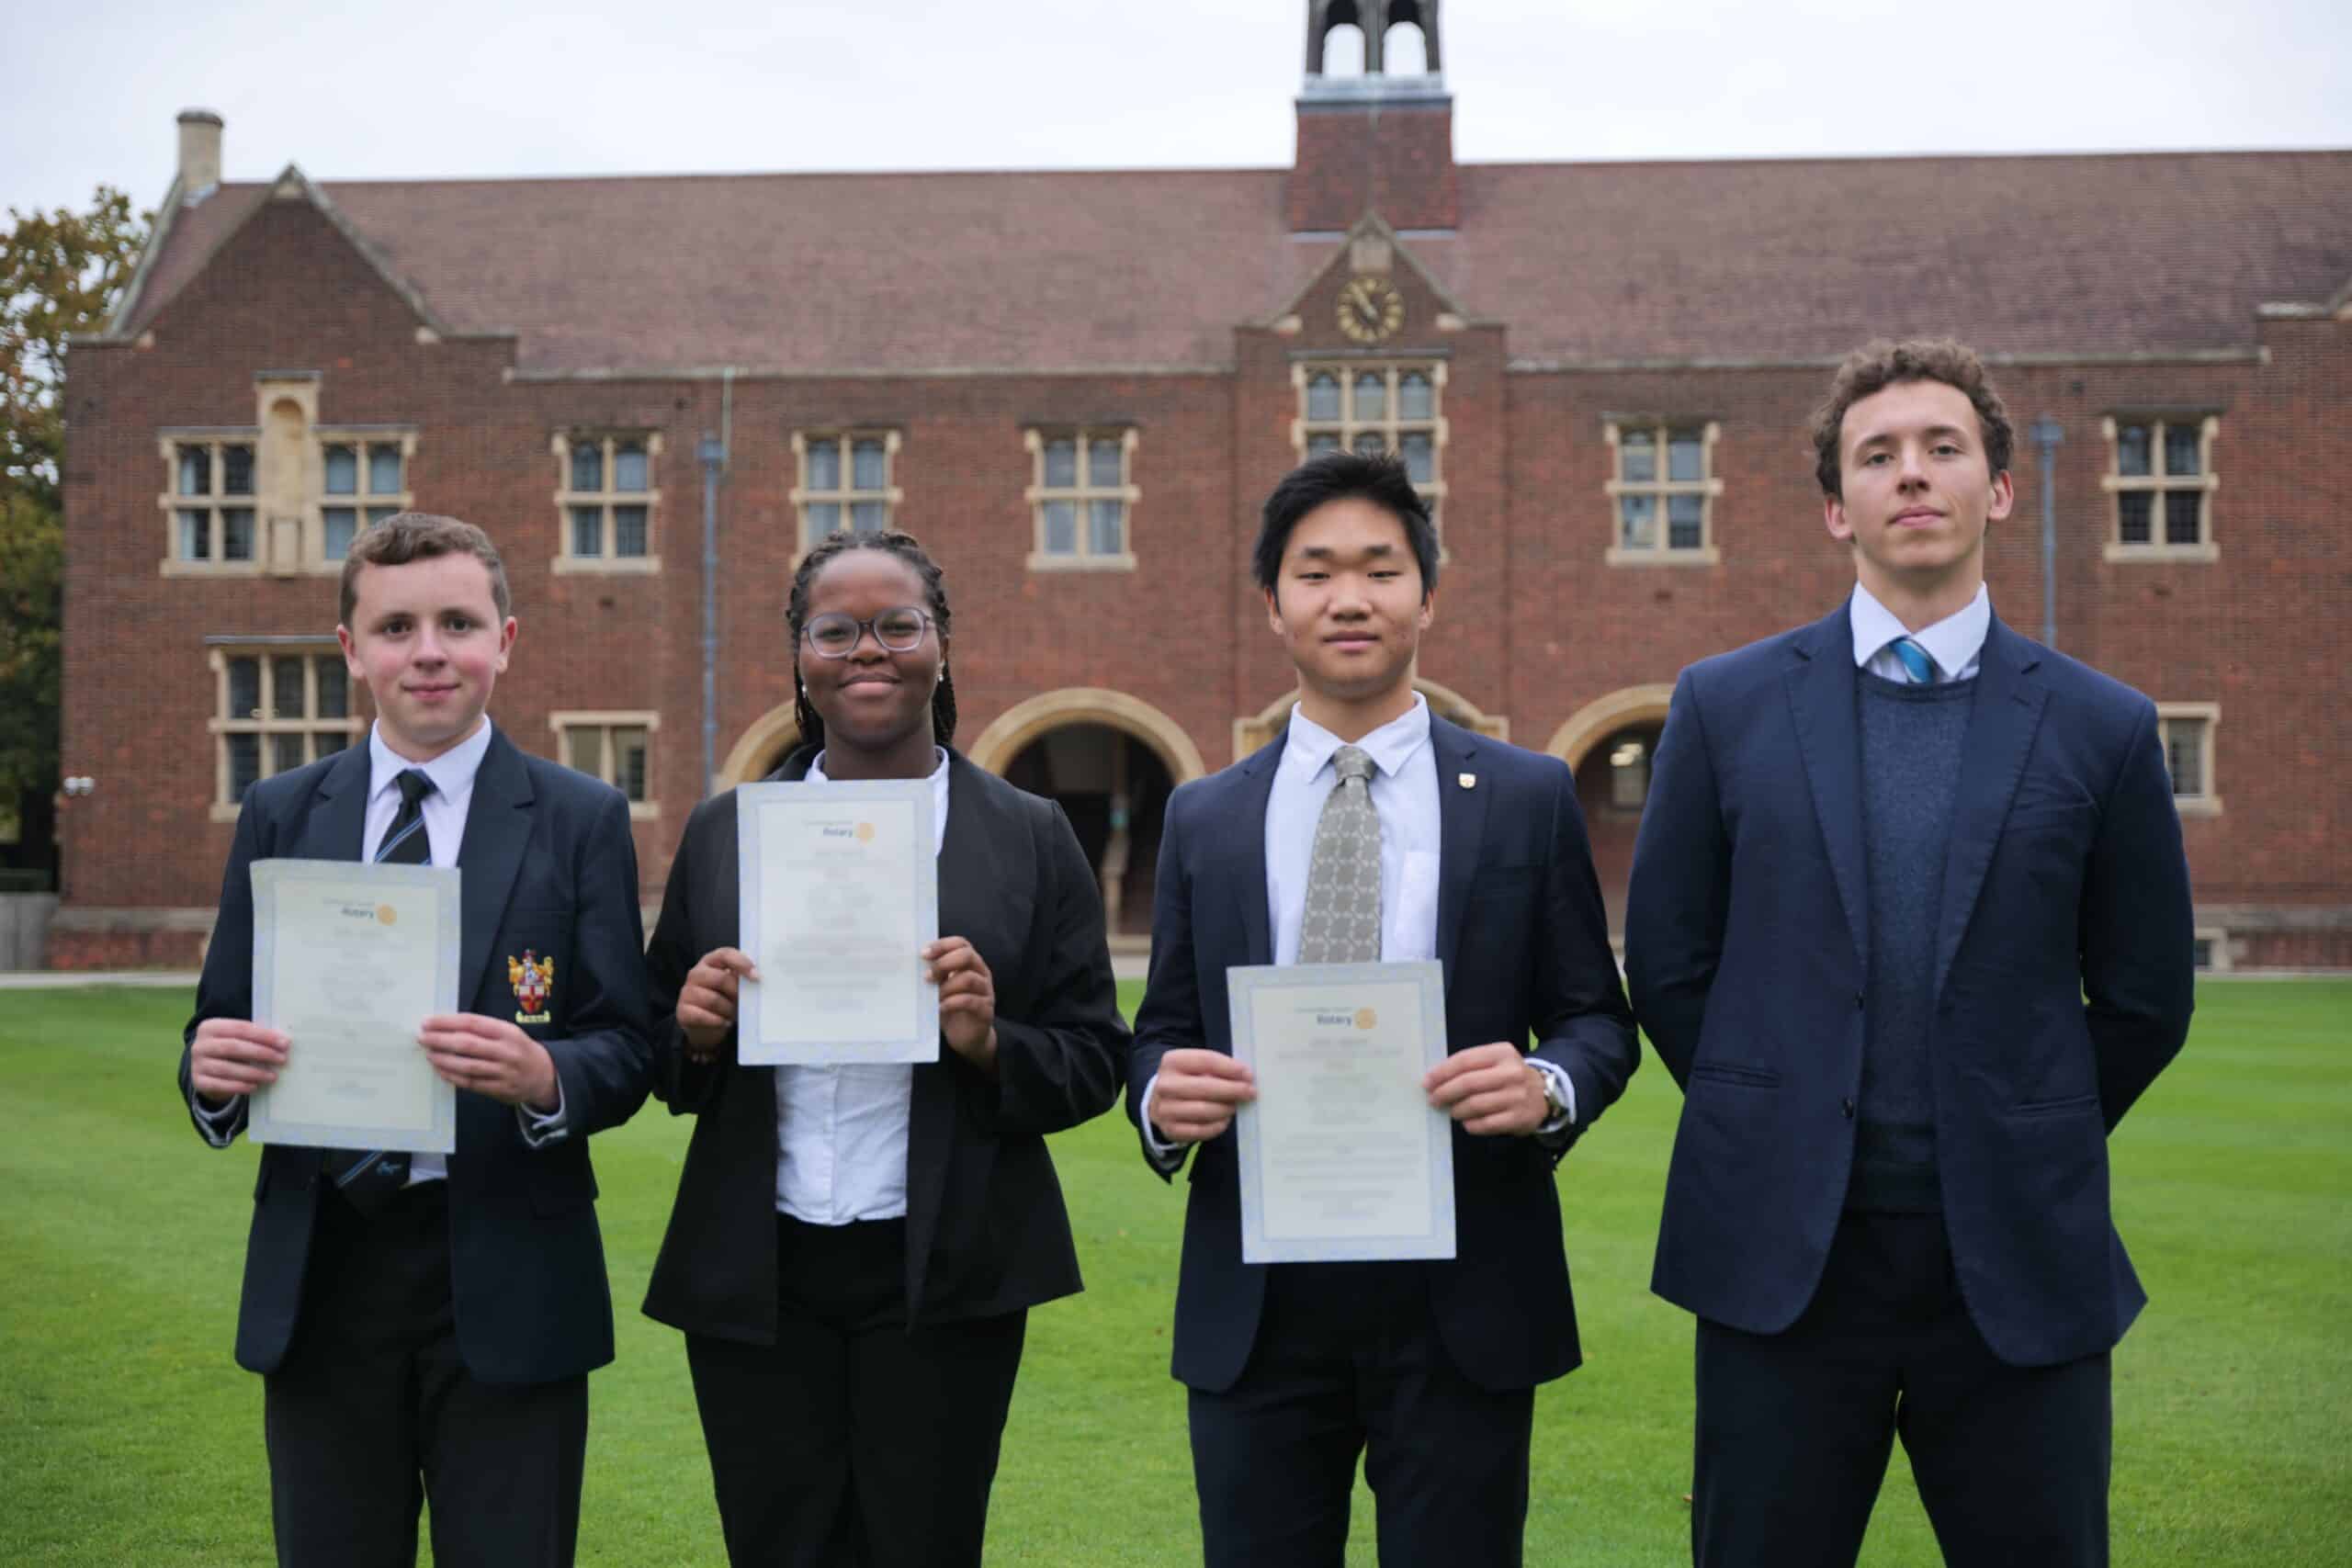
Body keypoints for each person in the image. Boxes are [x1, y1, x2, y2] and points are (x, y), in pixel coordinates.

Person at [1626, 337, 2196, 1567]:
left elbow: (2146, 995)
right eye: (1877, 455)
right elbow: (1671, 964)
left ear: (1997, 486)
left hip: (2015, 1263)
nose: (1913, 474)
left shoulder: (2103, 724)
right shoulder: (1723, 706)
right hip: (1785, 1262)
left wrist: (2019, 1124)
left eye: (1944, 447)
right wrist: (1789, 1114)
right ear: (1838, 505)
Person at [1126, 452, 1639, 1567]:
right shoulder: (1205, 816)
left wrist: (1546, 1084)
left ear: (1426, 596)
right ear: (1273, 604)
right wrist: (1161, 1098)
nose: (1349, 598)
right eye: (1315, 573)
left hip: (1464, 1287)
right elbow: (1160, 1029)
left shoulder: (1526, 795)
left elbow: (1598, 1019)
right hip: (1257, 1299)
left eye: (1380, 569)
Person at [640, 528, 1128, 1568]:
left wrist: (990, 1040)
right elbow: (656, 1051)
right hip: (757, 1266)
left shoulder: (1030, 834)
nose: (870, 651)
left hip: (946, 1267)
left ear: (940, 646)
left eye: (898, 626)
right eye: (837, 631)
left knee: (925, 1546)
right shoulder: (729, 830)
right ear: (802, 658)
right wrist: (690, 1032)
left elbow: (1094, 1055)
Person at [179, 513, 656, 1568]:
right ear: (351, 650)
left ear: (506, 640)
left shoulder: (579, 816)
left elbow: (629, 1042)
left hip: (507, 1268)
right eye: (396, 627)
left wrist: (545, 1076)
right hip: (324, 1271)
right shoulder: (280, 810)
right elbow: (216, 1023)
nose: (428, 650)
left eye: (457, 622)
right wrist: (208, 1073)